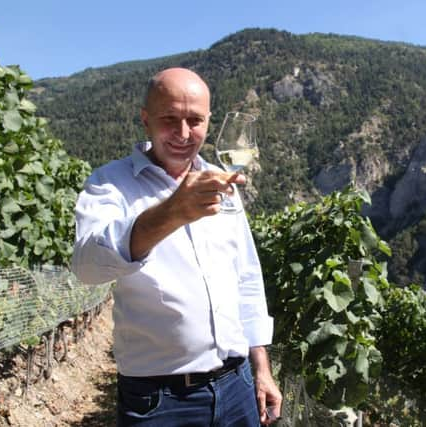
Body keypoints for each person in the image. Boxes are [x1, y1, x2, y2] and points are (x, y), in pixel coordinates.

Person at [71, 67, 282, 426]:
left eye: (195, 120)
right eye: (170, 119)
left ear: (209, 122)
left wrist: (261, 367)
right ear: (145, 119)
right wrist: (171, 212)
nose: (183, 134)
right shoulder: (110, 183)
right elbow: (88, 267)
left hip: (237, 385)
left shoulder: (220, 183)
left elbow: (245, 276)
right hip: (160, 401)